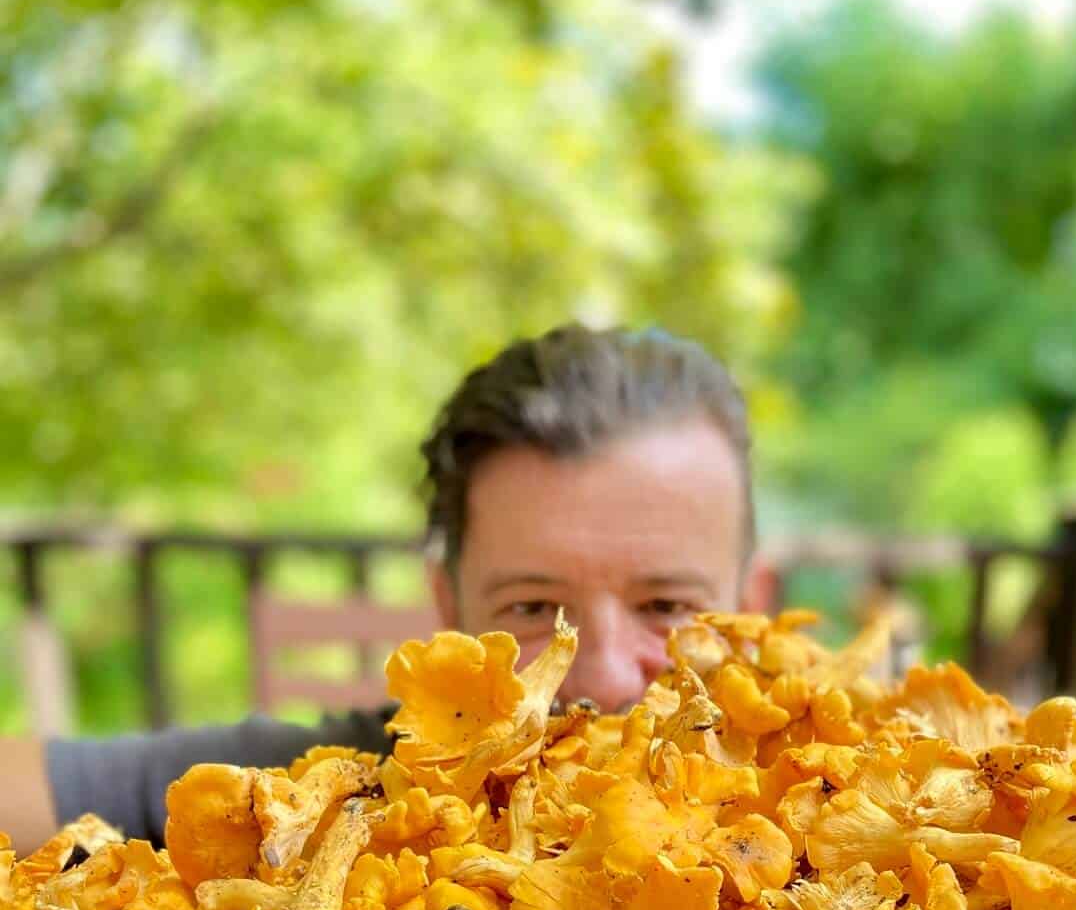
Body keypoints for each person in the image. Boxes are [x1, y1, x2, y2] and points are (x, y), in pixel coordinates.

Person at [2, 324, 760, 855]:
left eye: (667, 608)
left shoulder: (861, 812)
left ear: (756, 607)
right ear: (447, 606)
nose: (598, 675)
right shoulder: (334, 785)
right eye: (534, 609)